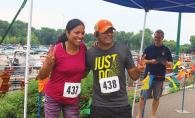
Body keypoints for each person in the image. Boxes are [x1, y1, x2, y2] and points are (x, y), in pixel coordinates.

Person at [83, 19, 146, 118]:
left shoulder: (123, 49)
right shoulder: (90, 53)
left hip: (121, 105)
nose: (109, 34)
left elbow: (134, 76)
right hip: (99, 106)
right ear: (96, 34)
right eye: (105, 32)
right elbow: (83, 74)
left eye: (111, 31)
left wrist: (138, 70)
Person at [39, 19, 87, 118]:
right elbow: (42, 76)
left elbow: (82, 75)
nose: (80, 36)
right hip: (54, 97)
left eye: (83, 33)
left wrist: (96, 47)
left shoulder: (83, 49)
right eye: (77, 32)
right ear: (67, 33)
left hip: (72, 98)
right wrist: (48, 63)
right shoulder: (56, 50)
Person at [136, 29, 173, 118]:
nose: (156, 39)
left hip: (160, 77)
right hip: (148, 76)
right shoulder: (148, 48)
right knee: (143, 96)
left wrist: (166, 63)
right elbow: (143, 60)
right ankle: (140, 114)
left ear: (162, 38)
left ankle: (152, 115)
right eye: (155, 37)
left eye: (158, 37)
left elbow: (171, 63)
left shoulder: (166, 49)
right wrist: (151, 61)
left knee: (157, 97)